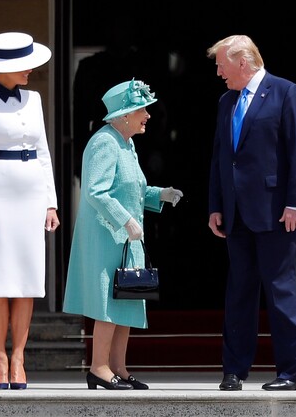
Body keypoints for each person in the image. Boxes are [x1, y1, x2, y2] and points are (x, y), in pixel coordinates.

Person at [206, 35, 296, 391]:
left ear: (242, 61)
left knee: (285, 293)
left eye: (222, 64)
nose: (219, 71)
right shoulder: (226, 101)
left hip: (279, 213)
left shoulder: (286, 93)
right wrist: (216, 205)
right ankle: (234, 369)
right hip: (238, 214)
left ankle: (292, 373)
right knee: (239, 294)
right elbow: (221, 158)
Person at [63, 79, 183, 390]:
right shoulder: (104, 141)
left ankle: (118, 367)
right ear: (124, 114)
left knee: (127, 300)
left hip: (126, 239)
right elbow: (95, 191)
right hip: (107, 236)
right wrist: (125, 220)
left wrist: (160, 195)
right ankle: (99, 368)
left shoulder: (127, 144)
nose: (148, 115)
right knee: (108, 302)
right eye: (142, 109)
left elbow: (133, 189)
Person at [0, 31, 60, 390]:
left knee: (26, 280)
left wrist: (51, 202)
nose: (31, 71)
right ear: (4, 69)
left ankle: (19, 357)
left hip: (31, 194)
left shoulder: (34, 99)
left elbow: (44, 151)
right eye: (24, 66)